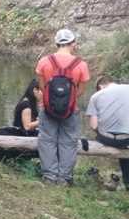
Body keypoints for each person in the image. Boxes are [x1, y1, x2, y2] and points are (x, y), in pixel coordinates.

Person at [35, 29, 90, 185]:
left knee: (47, 140)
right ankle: (64, 178)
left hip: (47, 109)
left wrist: (49, 101)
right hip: (71, 110)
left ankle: (49, 177)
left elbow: (42, 86)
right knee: (69, 142)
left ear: (57, 43)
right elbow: (81, 90)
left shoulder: (44, 61)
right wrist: (69, 100)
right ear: (73, 44)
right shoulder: (81, 64)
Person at [86, 75, 129, 191]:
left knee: (122, 141)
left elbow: (93, 125)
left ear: (100, 86)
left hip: (106, 140)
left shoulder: (95, 96)